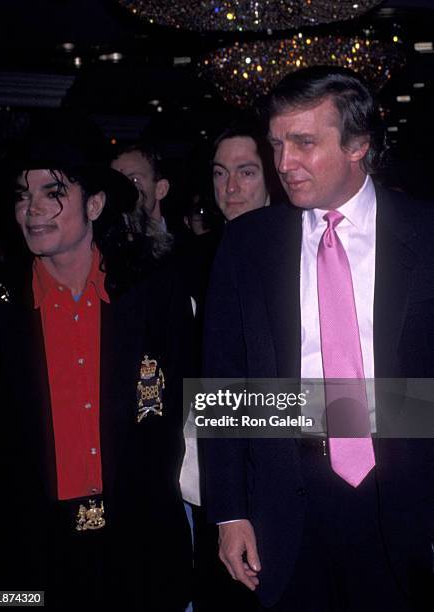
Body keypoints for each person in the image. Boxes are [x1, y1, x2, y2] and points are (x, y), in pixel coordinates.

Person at [203, 66, 434, 612]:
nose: (283, 163)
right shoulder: (248, 244)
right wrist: (229, 511)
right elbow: (224, 380)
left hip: (408, 496)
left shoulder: (425, 234)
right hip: (287, 494)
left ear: (358, 145)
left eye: (304, 142)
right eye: (278, 143)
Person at [0, 113, 193, 610]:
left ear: (94, 203)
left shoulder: (154, 298)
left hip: (141, 553)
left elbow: (195, 409)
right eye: (21, 194)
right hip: (27, 564)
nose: (31, 210)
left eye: (52, 192)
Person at [211, 121, 284, 221]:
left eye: (246, 173)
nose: (231, 188)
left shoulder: (299, 234)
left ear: (270, 177)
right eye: (220, 173)